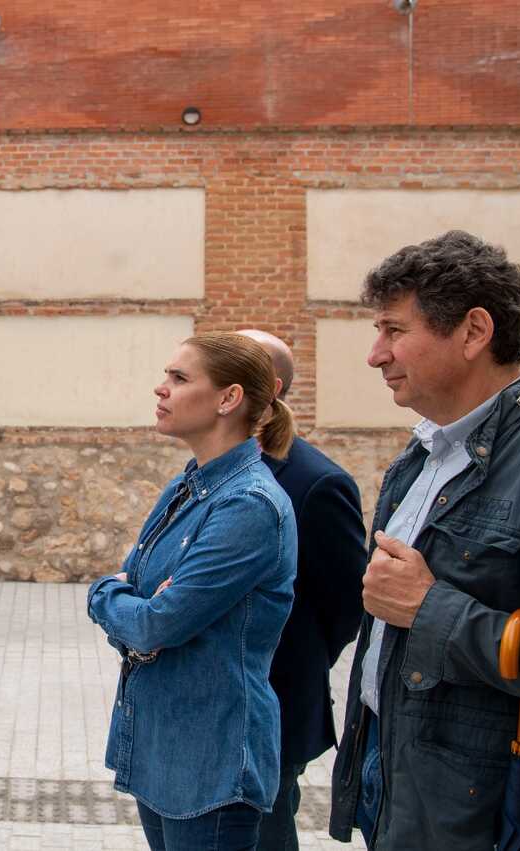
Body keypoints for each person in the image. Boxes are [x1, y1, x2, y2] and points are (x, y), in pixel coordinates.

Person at [328, 231, 520, 850]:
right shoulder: (425, 452)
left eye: (393, 330)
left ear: (473, 332)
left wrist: (432, 610)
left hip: (492, 812)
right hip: (403, 780)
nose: (376, 355)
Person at [87, 332, 298, 851]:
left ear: (229, 399)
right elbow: (140, 593)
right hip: (162, 744)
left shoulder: (249, 505)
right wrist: (136, 609)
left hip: (212, 759)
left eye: (179, 379)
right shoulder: (188, 486)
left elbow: (158, 620)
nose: (161, 389)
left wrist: (103, 597)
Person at [236, 330, 367, 851]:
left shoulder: (316, 483)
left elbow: (344, 604)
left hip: (274, 704)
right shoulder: (206, 467)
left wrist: (293, 658)